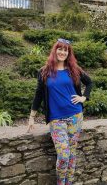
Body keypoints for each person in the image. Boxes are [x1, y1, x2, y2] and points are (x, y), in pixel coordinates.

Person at [27, 38, 92, 185]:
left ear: (68, 53)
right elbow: (38, 95)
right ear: (55, 50)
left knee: (72, 154)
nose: (62, 52)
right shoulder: (44, 72)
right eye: (60, 49)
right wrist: (32, 117)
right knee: (63, 155)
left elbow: (89, 82)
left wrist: (83, 98)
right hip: (56, 119)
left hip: (75, 116)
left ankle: (69, 182)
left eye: (65, 50)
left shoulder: (74, 69)